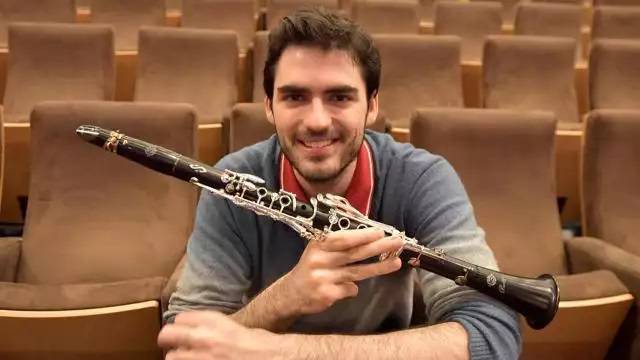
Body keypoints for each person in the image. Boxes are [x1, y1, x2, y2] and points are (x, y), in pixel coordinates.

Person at [159, 7, 521, 360]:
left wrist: (279, 351)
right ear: (269, 106)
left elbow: (493, 335)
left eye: (340, 97)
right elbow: (185, 346)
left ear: (372, 105)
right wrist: (283, 300)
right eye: (295, 97)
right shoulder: (232, 181)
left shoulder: (422, 178)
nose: (317, 121)